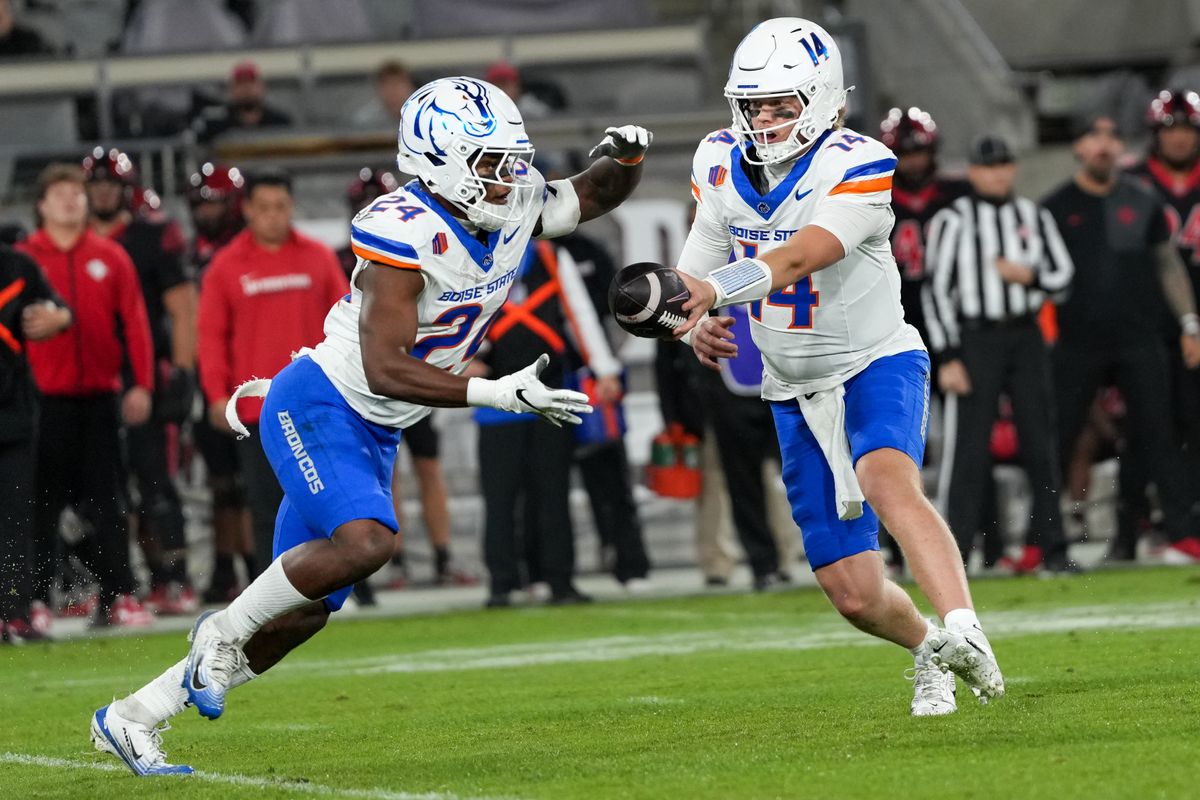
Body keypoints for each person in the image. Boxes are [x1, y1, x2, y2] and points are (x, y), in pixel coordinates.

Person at [91, 76, 650, 775]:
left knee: (301, 614)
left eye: (510, 160)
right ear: (440, 160)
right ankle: (220, 628)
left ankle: (133, 715)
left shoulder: (513, 203)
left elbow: (590, 193)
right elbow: (385, 367)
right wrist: (495, 393)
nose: (508, 178)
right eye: (490, 163)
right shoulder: (404, 226)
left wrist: (625, 159)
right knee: (367, 541)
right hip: (324, 402)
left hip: (373, 428)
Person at [673, 17, 1003, 718]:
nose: (764, 119)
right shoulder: (718, 160)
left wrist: (712, 294)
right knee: (853, 595)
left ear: (823, 101)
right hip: (792, 387)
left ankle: (966, 625)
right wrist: (688, 320)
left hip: (873, 358)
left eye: (782, 104)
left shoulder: (858, 161)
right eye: (754, 104)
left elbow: (803, 254)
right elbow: (703, 249)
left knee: (886, 478)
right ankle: (930, 651)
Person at [1042, 113, 1200, 564]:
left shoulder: (1142, 199)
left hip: (1138, 337)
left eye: (1112, 136)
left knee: (1158, 434)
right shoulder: (1053, 207)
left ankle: (1178, 533)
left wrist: (1189, 322)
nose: (1104, 145)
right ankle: (1043, 540)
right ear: (1077, 148)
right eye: (1093, 136)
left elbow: (1167, 264)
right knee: (1059, 437)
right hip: (1076, 342)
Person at [922, 135, 1075, 573]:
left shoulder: (1033, 215)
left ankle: (1054, 549)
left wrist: (1029, 277)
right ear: (973, 171)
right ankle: (955, 556)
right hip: (975, 340)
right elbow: (936, 293)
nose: (998, 173)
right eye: (989, 166)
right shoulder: (953, 221)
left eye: (1004, 164)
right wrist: (948, 354)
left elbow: (1063, 277)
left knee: (1040, 443)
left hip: (1025, 336)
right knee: (967, 450)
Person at [18, 164, 155, 629]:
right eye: (58, 193)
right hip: (39, 402)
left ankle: (119, 595)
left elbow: (135, 323)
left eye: (75, 192)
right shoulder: (21, 260)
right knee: (37, 505)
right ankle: (32, 601)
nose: (70, 200)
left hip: (99, 398)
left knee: (109, 502)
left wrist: (141, 384)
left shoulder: (111, 256)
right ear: (41, 205)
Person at [197, 168, 349, 574]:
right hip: (258, 412)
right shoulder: (225, 267)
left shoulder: (319, 258)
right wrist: (215, 395)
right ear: (246, 210)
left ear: (291, 207)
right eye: (263, 207)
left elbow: (348, 322)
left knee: (332, 501)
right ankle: (272, 594)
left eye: (280, 206)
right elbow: (211, 337)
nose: (272, 216)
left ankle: (344, 588)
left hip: (320, 407)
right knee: (266, 507)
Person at [474, 237, 626, 607]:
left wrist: (603, 369)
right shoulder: (475, 258)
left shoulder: (551, 256)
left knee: (553, 489)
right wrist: (463, 362)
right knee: (500, 496)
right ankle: (502, 583)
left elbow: (580, 313)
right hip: (495, 397)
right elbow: (462, 316)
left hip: (550, 394)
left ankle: (560, 580)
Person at [340, 167, 470, 596]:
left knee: (428, 469)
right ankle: (390, 559)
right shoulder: (352, 255)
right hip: (374, 378)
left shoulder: (427, 247)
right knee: (386, 473)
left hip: (415, 372)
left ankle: (442, 555)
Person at [84, 146, 199, 615]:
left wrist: (185, 369)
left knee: (155, 482)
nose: (104, 193)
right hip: (89, 380)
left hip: (143, 375)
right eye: (97, 185)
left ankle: (173, 578)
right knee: (100, 489)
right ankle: (118, 582)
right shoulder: (76, 241)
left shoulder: (150, 236)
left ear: (127, 191)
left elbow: (182, 307)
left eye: (112, 185)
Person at [187, 161, 258, 600]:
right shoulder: (190, 251)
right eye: (200, 204)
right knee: (223, 486)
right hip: (211, 377)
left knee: (251, 486)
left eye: (216, 204)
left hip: (249, 379)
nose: (207, 213)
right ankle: (224, 567)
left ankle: (256, 567)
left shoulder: (245, 251)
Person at [1128, 89, 1200, 504]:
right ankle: (1138, 517)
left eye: (1188, 129)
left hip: (1192, 320)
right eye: (1171, 130)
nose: (1180, 139)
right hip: (1148, 322)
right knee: (1147, 423)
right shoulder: (1133, 183)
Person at [0, 241, 72, 643]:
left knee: (13, 517)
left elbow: (62, 310)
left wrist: (55, 317)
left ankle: (14, 612)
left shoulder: (16, 265)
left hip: (13, 413)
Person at [193, 60, 293, 143]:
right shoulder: (215, 125)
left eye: (251, 83)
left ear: (262, 87)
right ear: (231, 89)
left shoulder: (280, 123)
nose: (246, 88)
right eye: (240, 83)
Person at [350, 60, 416, 130]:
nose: (393, 91)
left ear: (410, 86)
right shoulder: (365, 120)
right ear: (378, 89)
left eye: (398, 84)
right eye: (388, 85)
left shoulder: (425, 115)